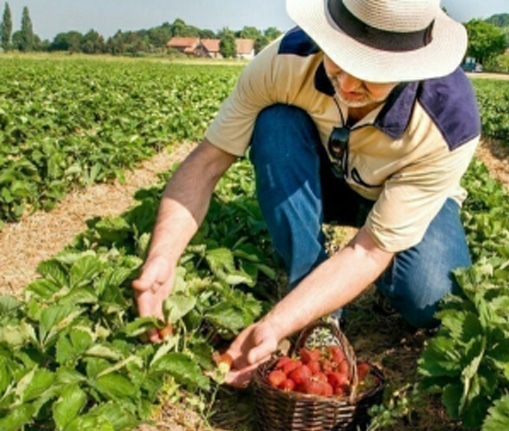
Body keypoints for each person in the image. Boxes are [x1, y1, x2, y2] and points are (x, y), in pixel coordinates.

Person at [131, 0, 480, 387]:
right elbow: (206, 163)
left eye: (371, 73)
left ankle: (383, 277)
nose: (347, 84)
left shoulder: (449, 121)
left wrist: (276, 320)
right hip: (331, 175)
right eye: (339, 58)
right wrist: (162, 258)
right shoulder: (284, 61)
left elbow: (369, 249)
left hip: (404, 193)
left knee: (431, 300)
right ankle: (313, 290)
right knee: (276, 124)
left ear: (411, 67)